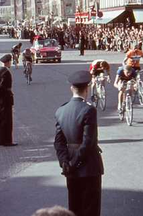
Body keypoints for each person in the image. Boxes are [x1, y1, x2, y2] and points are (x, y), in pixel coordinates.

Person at [54, 70, 104, 216]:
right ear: (86, 89)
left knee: (74, 208)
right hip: (88, 167)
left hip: (70, 168)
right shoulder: (89, 110)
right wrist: (75, 163)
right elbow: (89, 142)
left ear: (71, 88)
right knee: (90, 209)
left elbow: (59, 142)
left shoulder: (61, 110)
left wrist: (65, 163)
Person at [0, 54, 17, 146]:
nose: (11, 63)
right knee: (7, 120)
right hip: (5, 99)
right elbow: (2, 86)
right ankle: (7, 140)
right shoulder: (6, 72)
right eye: (10, 62)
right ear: (7, 62)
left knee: (0, 120)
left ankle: (1, 139)